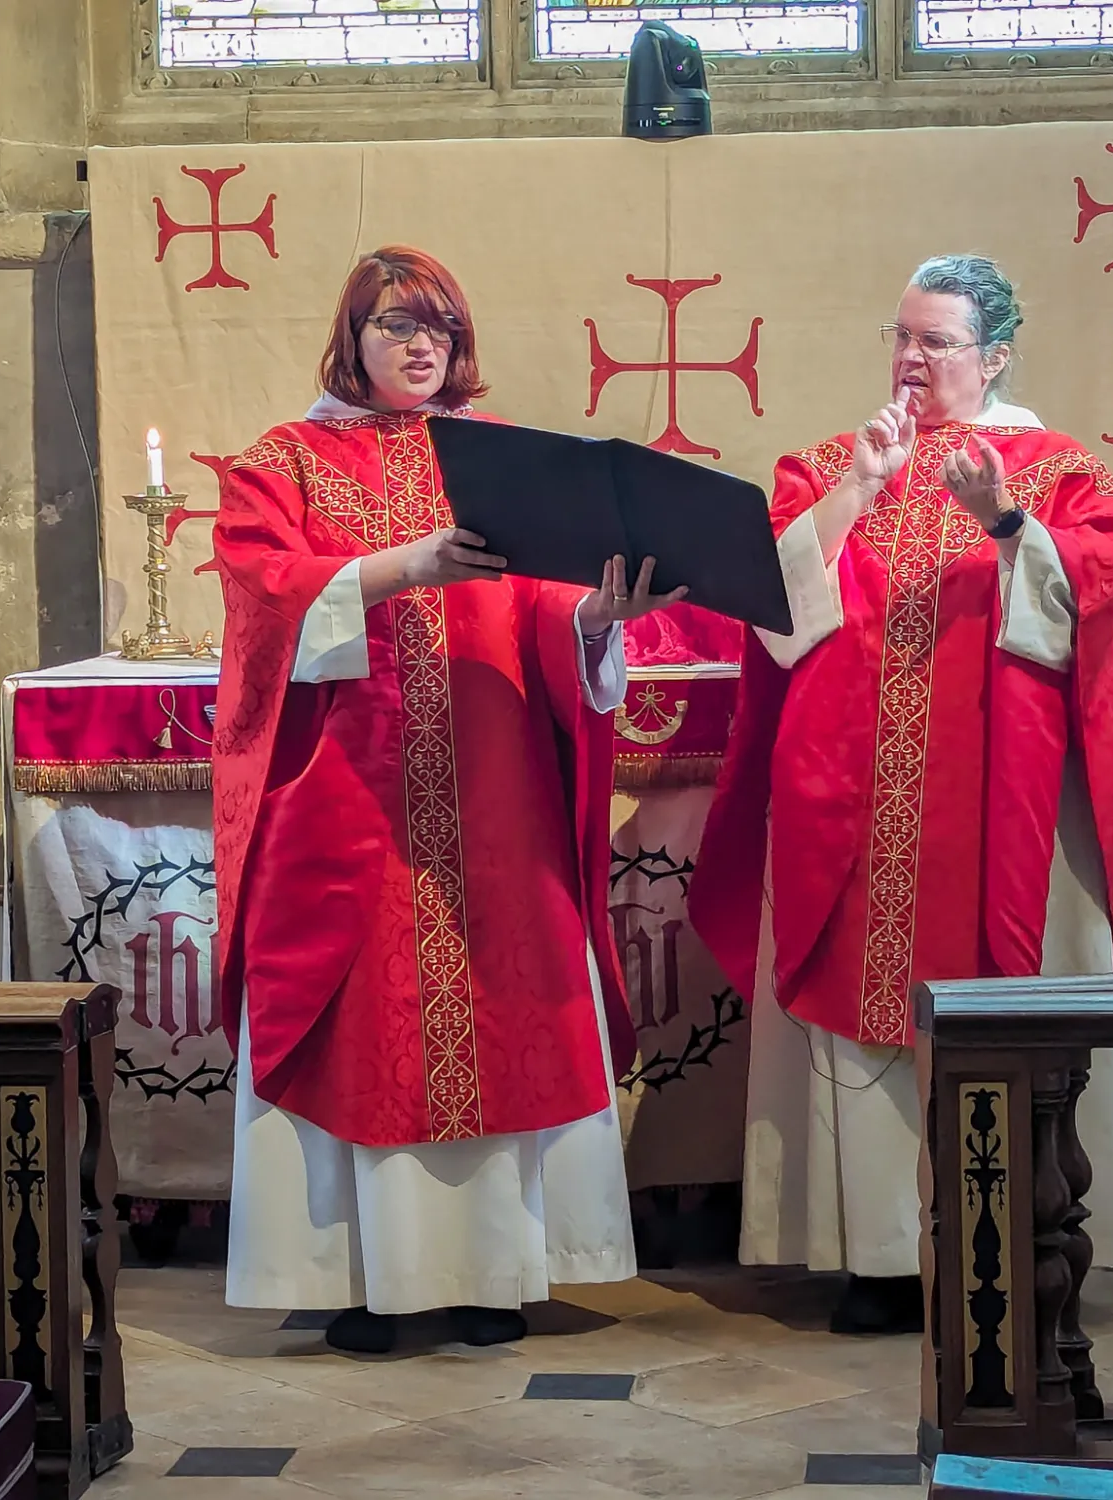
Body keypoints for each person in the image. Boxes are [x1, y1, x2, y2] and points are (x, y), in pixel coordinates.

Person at [212, 246, 684, 1353]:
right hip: (352, 812)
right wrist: (403, 567)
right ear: (351, 336)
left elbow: (545, 602)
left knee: (504, 1012)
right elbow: (263, 596)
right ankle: (375, 1283)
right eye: (392, 326)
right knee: (365, 1030)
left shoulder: (500, 457)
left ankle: (489, 1276)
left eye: (437, 328)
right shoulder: (283, 461)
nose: (419, 346)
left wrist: (599, 618)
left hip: (493, 800)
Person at [689, 254, 1113, 1335]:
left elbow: (1096, 586)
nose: (909, 359)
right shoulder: (827, 466)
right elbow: (771, 611)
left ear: (993, 358)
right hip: (846, 802)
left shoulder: (1053, 468)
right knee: (862, 1007)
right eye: (901, 336)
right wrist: (859, 487)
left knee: (991, 1002)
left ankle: (1019, 1240)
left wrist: (1005, 526)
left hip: (995, 804)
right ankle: (880, 1257)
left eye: (936, 342)